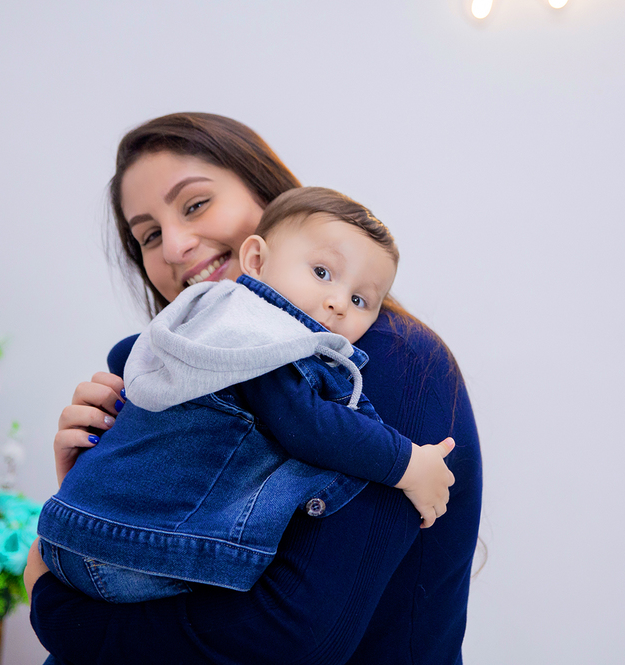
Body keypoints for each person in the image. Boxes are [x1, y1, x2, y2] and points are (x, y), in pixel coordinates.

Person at [26, 112, 483, 664]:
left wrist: (50, 600)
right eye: (148, 235)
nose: (173, 247)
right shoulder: (207, 373)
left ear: (271, 200)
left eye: (195, 205)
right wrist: (104, 480)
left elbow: (285, 643)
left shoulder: (378, 358)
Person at [37, 186, 458, 601]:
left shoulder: (211, 312)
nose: (338, 304)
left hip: (82, 530)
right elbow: (310, 426)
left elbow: (127, 354)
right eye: (322, 273)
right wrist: (408, 464)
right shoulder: (258, 335)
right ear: (256, 260)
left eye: (361, 299)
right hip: (130, 554)